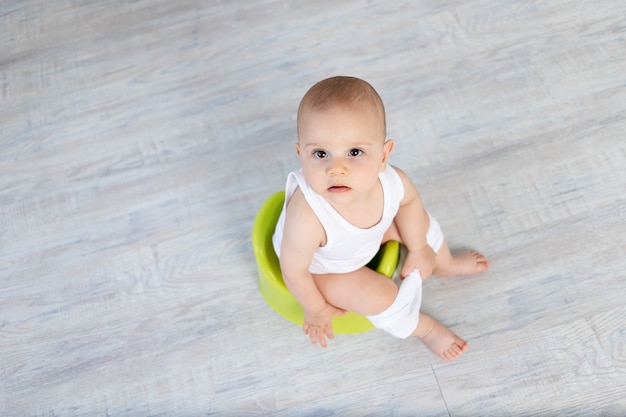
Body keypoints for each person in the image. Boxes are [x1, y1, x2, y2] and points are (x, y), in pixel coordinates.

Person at [272, 76, 489, 361]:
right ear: (301, 155)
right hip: (322, 268)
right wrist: (315, 309)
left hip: (364, 239)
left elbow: (410, 202)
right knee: (381, 295)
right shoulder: (307, 216)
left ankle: (444, 263)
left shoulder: (392, 181)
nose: (336, 169)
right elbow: (294, 271)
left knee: (420, 222)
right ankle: (425, 329)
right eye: (320, 153)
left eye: (355, 152)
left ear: (384, 155)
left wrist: (419, 248)